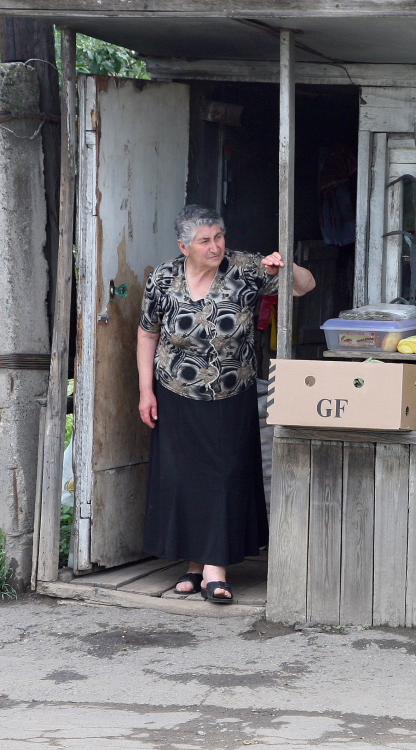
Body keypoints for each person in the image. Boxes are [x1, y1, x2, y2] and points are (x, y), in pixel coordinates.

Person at [136, 205, 315, 603]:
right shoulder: (163, 278)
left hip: (230, 394)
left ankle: (216, 567)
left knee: (223, 477)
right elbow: (147, 334)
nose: (215, 246)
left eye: (219, 237)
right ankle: (194, 565)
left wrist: (285, 266)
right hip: (175, 393)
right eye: (205, 240)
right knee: (184, 480)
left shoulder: (246, 269)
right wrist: (146, 391)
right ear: (184, 246)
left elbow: (305, 286)